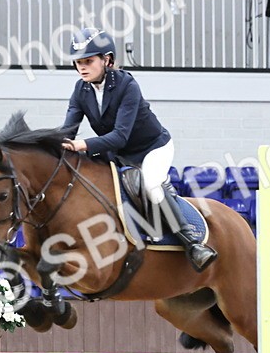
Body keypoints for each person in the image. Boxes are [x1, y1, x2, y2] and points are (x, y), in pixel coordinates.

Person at [60, 27, 217, 272]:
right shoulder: (80, 90)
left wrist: (82, 145)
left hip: (152, 149)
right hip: (118, 153)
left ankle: (193, 243)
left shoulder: (126, 85)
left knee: (152, 186)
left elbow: (120, 136)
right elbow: (67, 132)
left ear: (107, 59)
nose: (82, 67)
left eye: (88, 61)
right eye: (78, 62)